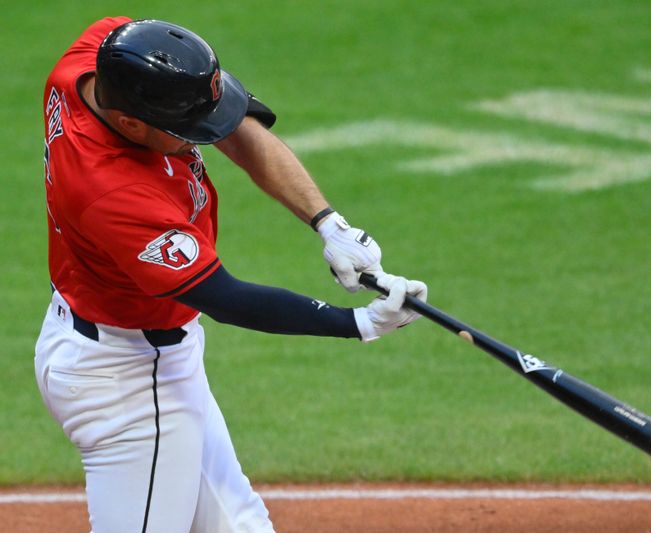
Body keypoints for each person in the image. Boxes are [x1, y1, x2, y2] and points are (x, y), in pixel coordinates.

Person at [36, 16, 427, 533]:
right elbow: (225, 297)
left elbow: (235, 128)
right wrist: (356, 323)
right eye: (185, 132)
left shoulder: (103, 57)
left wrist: (328, 222)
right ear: (131, 123)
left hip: (146, 352)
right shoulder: (110, 192)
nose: (201, 140)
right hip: (126, 382)